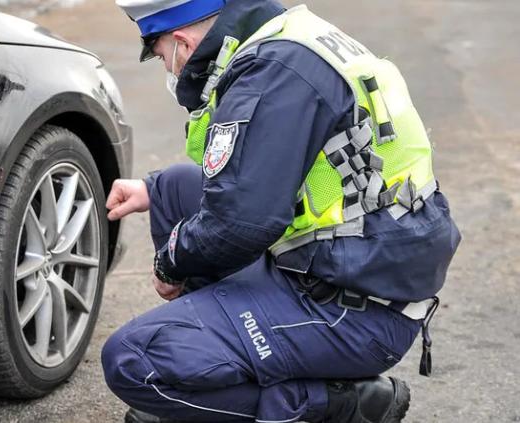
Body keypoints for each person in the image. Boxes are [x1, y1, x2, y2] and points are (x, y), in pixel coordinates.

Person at [101, 0, 462, 422]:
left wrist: (170, 263)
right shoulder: (286, 39)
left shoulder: (272, 75)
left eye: (160, 54)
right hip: (353, 266)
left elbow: (236, 224)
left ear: (181, 42)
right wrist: (152, 190)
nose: (168, 68)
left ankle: (334, 405)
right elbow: (252, 172)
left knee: (131, 360)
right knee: (174, 188)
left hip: (354, 309)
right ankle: (222, 370)